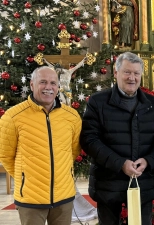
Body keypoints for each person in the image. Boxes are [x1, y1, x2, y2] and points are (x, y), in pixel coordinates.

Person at [80, 52, 154, 225]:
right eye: (127, 72)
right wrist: (120, 163)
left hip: (142, 180)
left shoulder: (152, 104)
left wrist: (148, 161)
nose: (132, 78)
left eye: (136, 73)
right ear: (116, 72)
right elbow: (89, 139)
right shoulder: (98, 102)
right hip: (108, 182)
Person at [0, 66, 82, 225]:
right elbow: (6, 156)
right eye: (43, 82)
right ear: (32, 85)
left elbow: (73, 151)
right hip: (31, 197)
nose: (48, 87)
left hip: (63, 196)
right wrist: (26, 178)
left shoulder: (72, 116)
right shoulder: (13, 117)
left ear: (58, 87)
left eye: (53, 83)